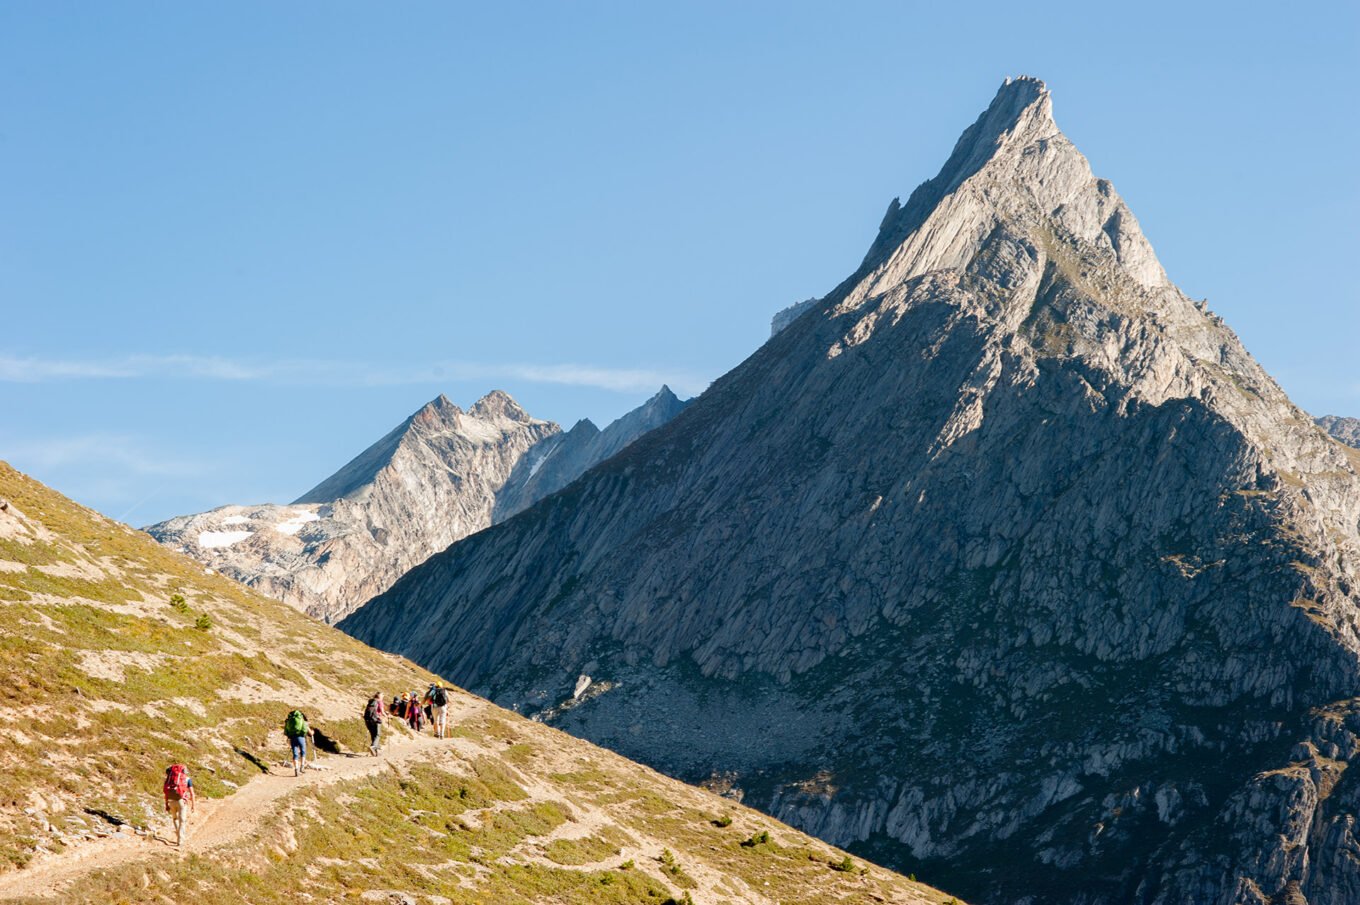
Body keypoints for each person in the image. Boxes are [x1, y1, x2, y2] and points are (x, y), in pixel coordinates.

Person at [162, 764, 196, 846]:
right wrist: (193, 806)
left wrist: (166, 804)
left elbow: (166, 793)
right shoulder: (187, 779)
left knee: (175, 819)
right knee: (182, 821)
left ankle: (178, 834)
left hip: (171, 801)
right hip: (182, 802)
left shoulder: (169, 780)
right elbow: (192, 793)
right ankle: (180, 841)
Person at [283, 709, 310, 776]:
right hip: (301, 738)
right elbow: (309, 732)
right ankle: (302, 767)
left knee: (295, 754)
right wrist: (312, 733)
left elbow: (285, 732)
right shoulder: (302, 720)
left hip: (292, 738)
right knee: (303, 752)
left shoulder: (289, 721)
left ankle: (296, 770)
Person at [363, 691, 386, 756]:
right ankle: (373, 747)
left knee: (373, 735)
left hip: (368, 720)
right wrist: (387, 716)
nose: (383, 697)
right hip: (376, 720)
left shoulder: (371, 701)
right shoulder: (379, 702)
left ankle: (376, 752)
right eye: (383, 695)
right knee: (377, 735)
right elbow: (382, 711)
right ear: (380, 696)